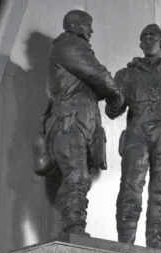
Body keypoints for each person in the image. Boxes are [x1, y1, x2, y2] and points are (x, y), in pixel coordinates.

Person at [105, 23, 161, 249]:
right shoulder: (127, 74)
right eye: (143, 37)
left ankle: (155, 244)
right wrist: (111, 93)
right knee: (130, 186)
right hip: (138, 132)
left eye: (152, 36)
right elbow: (113, 110)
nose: (147, 40)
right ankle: (125, 242)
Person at [36, 9, 124, 236]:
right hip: (69, 121)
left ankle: (74, 225)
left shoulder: (77, 48)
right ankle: (74, 227)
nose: (91, 30)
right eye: (88, 25)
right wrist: (116, 93)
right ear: (76, 25)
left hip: (84, 121)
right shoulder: (67, 46)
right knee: (77, 174)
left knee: (81, 176)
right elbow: (97, 74)